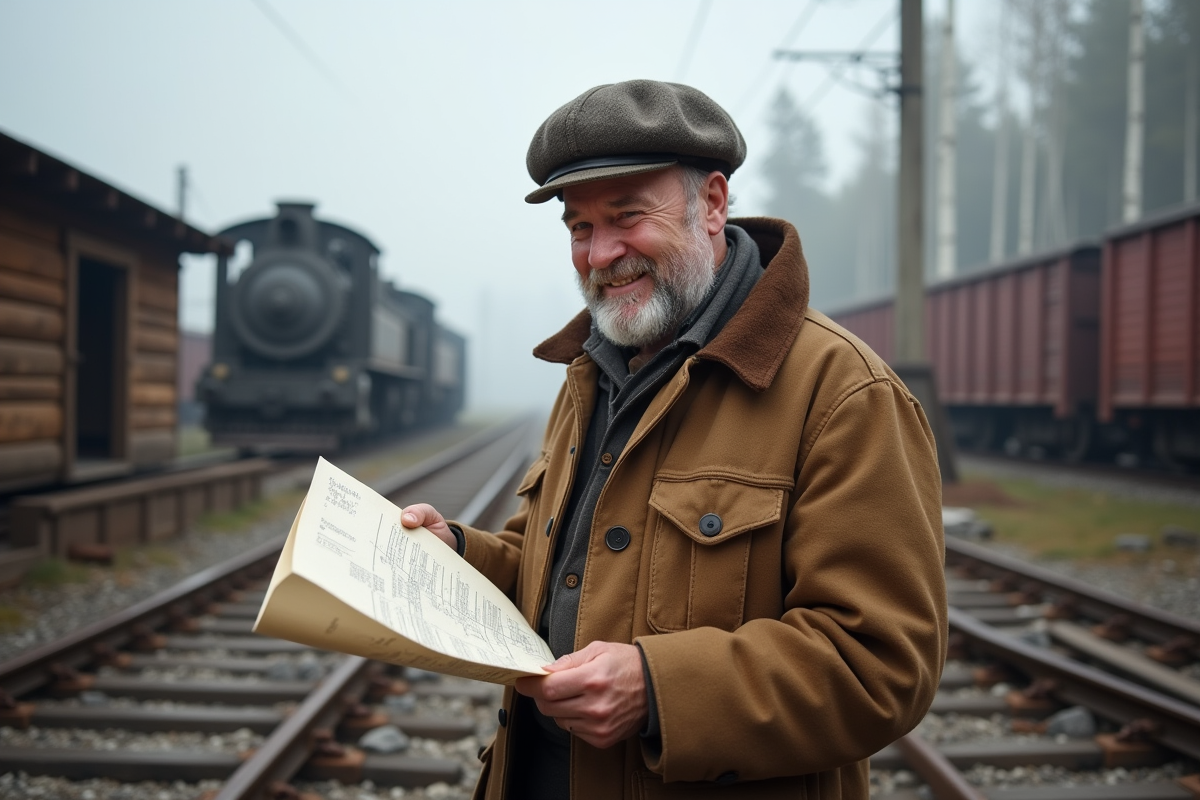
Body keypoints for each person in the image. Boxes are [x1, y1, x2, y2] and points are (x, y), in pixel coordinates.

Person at [401, 79, 946, 800]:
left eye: (627, 216)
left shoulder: (842, 393)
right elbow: (557, 573)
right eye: (579, 228)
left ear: (712, 205)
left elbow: (882, 664)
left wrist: (658, 689)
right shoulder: (591, 372)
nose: (601, 253)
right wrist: (460, 557)